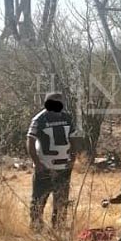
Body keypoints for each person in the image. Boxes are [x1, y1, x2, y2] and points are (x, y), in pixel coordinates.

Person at [27, 92, 81, 230]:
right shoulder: (39, 119)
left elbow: (74, 139)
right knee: (39, 198)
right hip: (45, 166)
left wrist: (73, 158)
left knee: (61, 199)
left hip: (64, 166)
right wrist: (37, 163)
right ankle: (36, 226)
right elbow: (30, 141)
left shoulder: (67, 117)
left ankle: (59, 226)